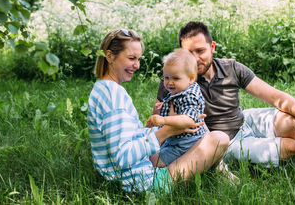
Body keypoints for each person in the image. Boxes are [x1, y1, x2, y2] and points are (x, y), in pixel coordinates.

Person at [155, 21, 295, 177]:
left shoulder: (231, 68)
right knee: (292, 147)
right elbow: (165, 127)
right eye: (188, 53)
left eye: (200, 51)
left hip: (244, 120)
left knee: (292, 123)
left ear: (212, 47)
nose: (194, 58)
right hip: (226, 141)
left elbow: (275, 96)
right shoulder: (175, 81)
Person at [87, 28, 229, 193]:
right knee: (219, 138)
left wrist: (154, 126)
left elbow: (124, 141)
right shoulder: (113, 95)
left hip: (129, 175)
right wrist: (168, 131)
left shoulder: (102, 89)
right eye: (131, 58)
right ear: (110, 56)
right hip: (144, 182)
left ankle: (220, 172)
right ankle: (220, 173)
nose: (137, 65)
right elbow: (122, 157)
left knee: (201, 137)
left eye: (138, 59)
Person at [146, 48, 208, 167]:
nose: (169, 82)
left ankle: (170, 172)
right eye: (166, 77)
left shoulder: (190, 95)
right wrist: (164, 106)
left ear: (190, 78)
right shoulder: (180, 90)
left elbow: (188, 119)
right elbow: (178, 106)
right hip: (175, 139)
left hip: (185, 144)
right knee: (151, 152)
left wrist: (163, 120)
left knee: (152, 161)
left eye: (175, 78)